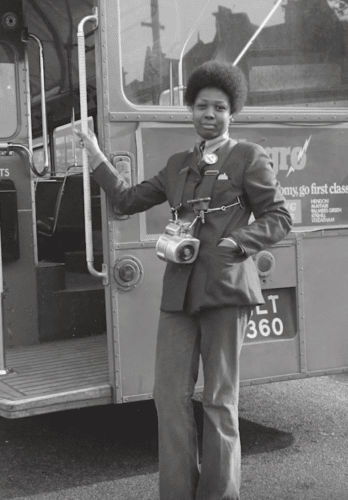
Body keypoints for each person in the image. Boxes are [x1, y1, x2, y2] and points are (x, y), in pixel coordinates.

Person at [76, 60, 292, 500]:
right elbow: (126, 198)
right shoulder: (177, 164)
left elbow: (279, 216)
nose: (208, 114)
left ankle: (218, 494)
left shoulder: (248, 156)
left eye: (219, 107)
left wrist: (243, 241)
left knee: (219, 399)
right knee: (168, 397)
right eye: (200, 106)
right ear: (189, 109)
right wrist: (95, 153)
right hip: (179, 293)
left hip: (227, 289)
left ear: (233, 113)